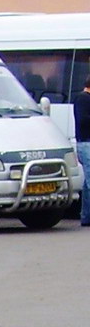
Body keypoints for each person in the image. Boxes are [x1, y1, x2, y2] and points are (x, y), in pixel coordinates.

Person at [73, 75, 90, 226]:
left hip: (86, 143)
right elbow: (84, 120)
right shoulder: (83, 99)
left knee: (87, 184)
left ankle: (86, 216)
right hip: (86, 143)